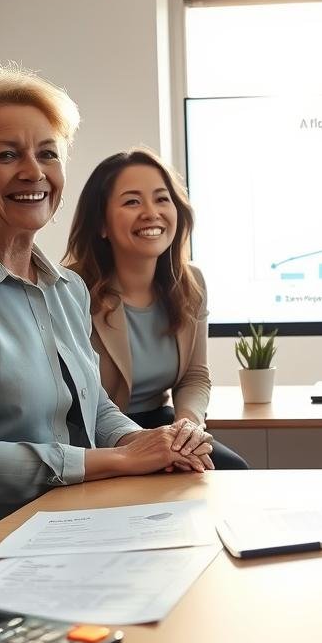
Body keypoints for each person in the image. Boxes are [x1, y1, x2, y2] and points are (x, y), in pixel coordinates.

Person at [0, 65, 211, 526]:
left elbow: (95, 408)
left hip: (52, 521)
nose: (34, 172)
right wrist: (121, 462)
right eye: (7, 155)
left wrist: (146, 443)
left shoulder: (66, 288)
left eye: (48, 154)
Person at [63, 149, 248, 470]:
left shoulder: (192, 283)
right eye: (132, 201)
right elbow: (78, 404)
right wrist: (143, 448)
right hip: (95, 438)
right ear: (102, 224)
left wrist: (187, 427)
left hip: (163, 425)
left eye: (162, 199)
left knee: (233, 471)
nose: (151, 213)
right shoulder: (70, 288)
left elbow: (194, 376)